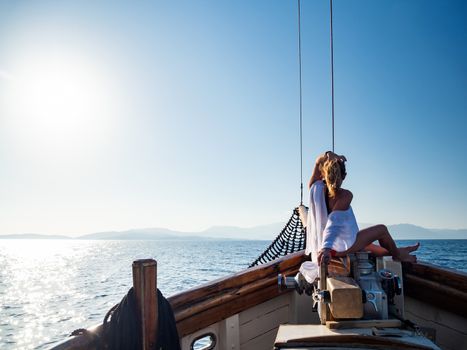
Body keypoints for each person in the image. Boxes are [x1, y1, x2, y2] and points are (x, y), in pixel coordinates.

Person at [307, 151, 419, 266]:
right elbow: (333, 223)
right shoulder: (345, 195)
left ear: (324, 173)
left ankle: (397, 251)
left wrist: (327, 155)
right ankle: (398, 255)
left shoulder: (315, 188)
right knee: (382, 230)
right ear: (344, 176)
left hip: (329, 245)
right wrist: (326, 248)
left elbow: (317, 163)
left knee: (375, 248)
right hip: (335, 248)